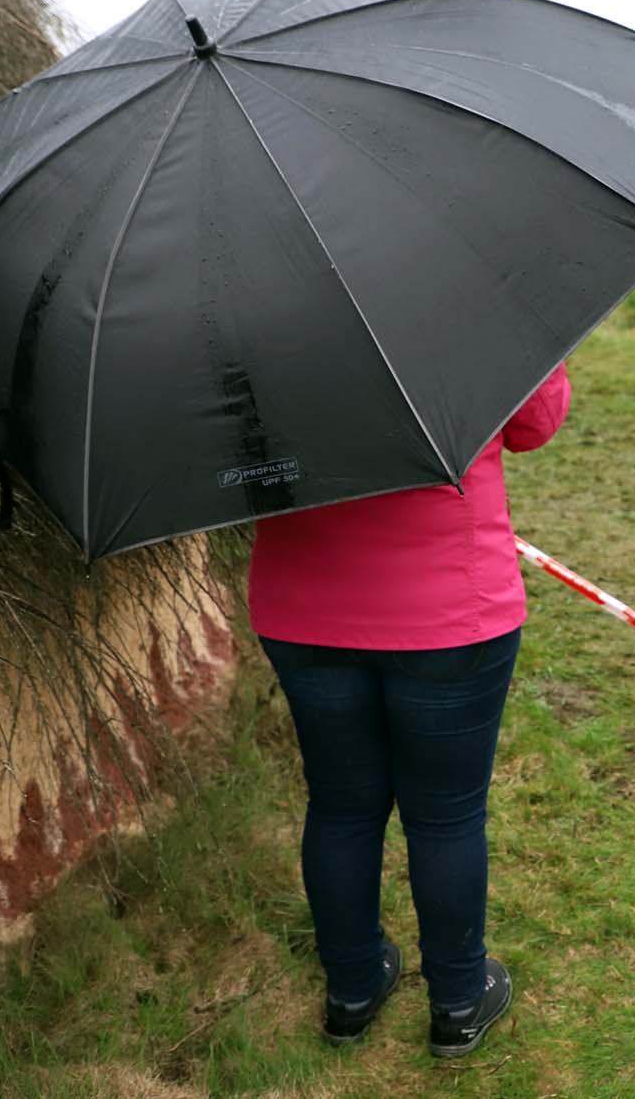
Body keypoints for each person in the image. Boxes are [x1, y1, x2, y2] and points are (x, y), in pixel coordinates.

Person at [245, 363, 572, 1056]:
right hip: (450, 608)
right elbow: (536, 424)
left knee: (339, 803)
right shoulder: (464, 284)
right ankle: (457, 1000)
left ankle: (353, 989)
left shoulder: (246, 295)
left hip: (303, 603)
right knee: (446, 814)